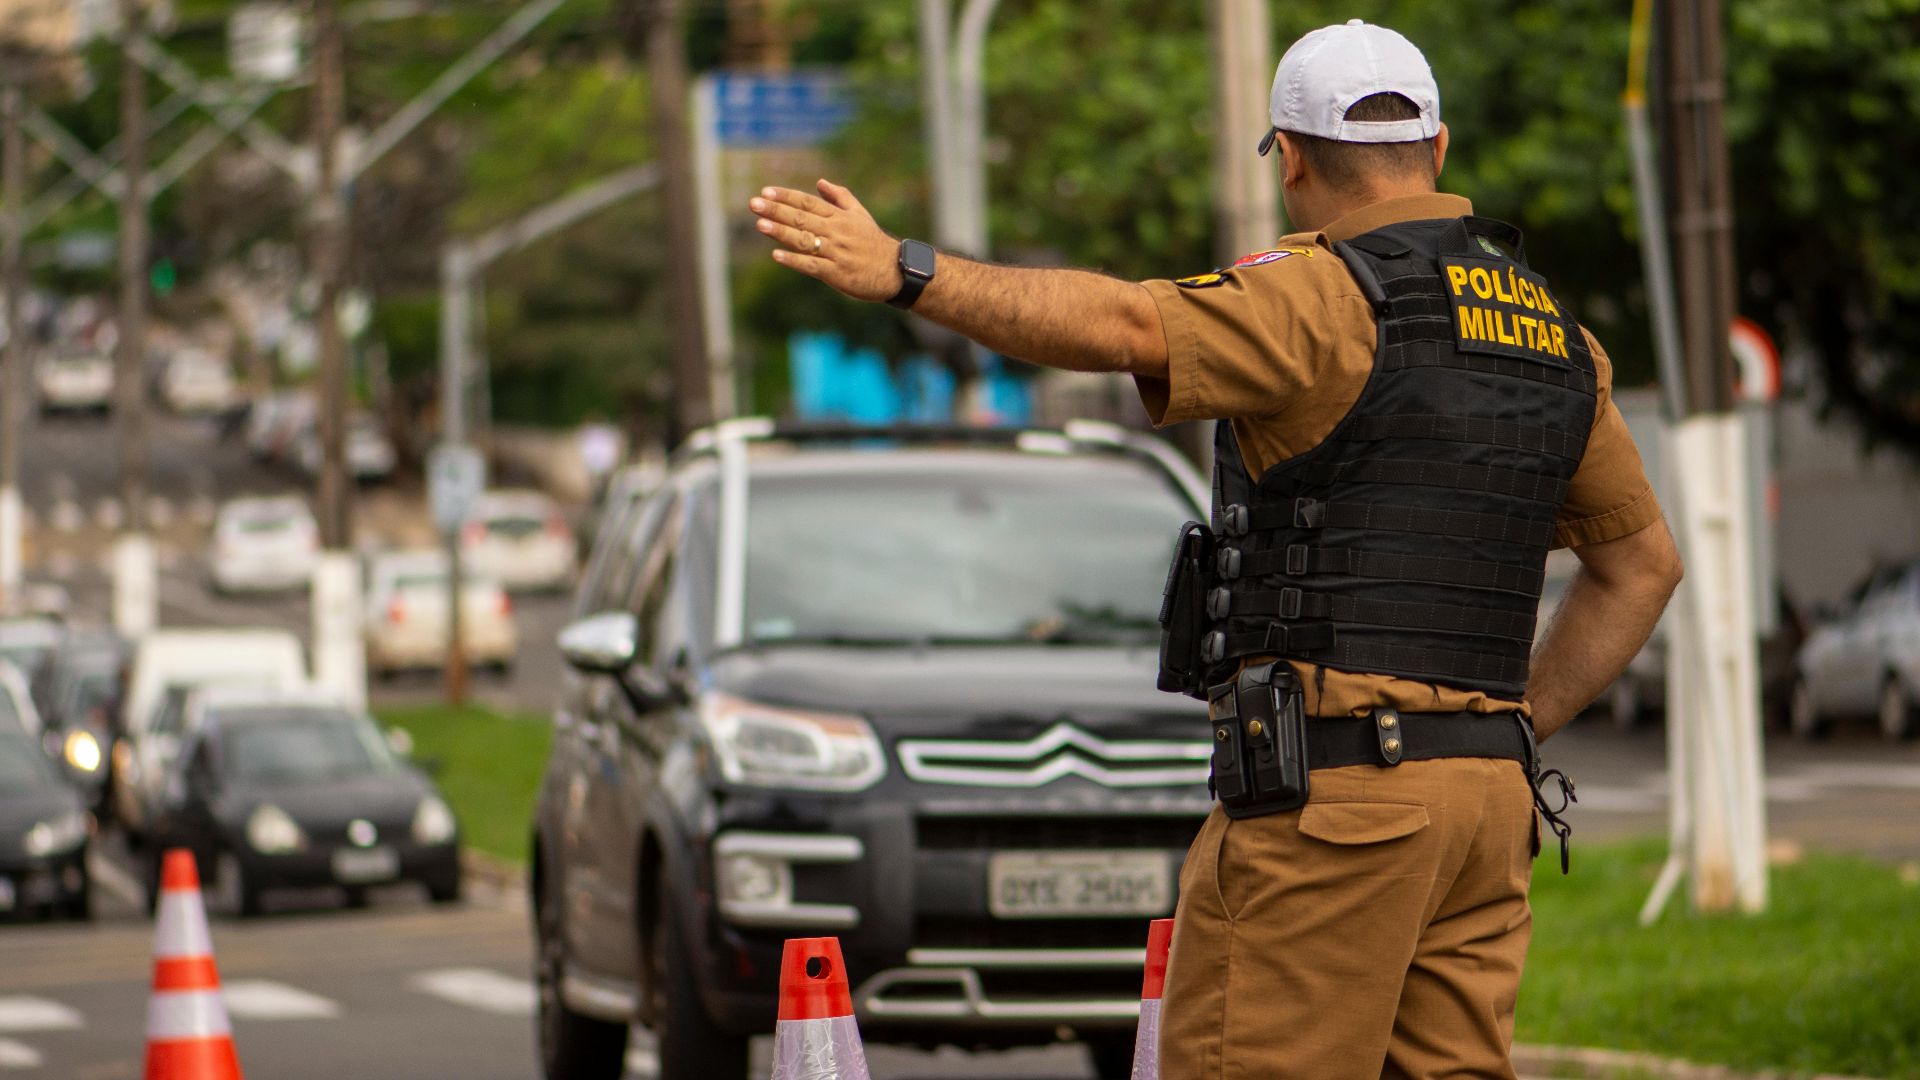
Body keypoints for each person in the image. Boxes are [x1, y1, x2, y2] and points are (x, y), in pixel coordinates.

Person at [749, 18, 1682, 1079]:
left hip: (1340, 809)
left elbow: (1124, 327)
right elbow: (1642, 568)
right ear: (1440, 146)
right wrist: (1505, 728)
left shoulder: (1319, 297)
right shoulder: (1558, 337)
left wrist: (908, 271)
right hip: (1483, 810)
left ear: (1290, 156)